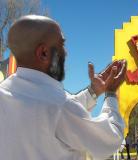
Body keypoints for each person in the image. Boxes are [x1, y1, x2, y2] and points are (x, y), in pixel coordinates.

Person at [0, 15, 127, 160]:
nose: (66, 52)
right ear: (43, 53)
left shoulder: (4, 92)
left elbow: (59, 112)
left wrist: (93, 91)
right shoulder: (60, 106)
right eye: (61, 45)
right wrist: (110, 93)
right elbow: (111, 140)